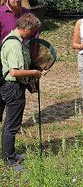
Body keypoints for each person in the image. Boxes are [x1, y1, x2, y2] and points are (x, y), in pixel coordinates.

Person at [1, 13, 43, 170]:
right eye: (32, 31)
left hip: (11, 87)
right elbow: (14, 72)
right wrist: (34, 73)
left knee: (10, 124)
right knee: (11, 125)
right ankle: (9, 160)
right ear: (26, 28)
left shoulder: (14, 39)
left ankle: (8, 153)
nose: (32, 34)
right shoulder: (14, 45)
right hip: (13, 88)